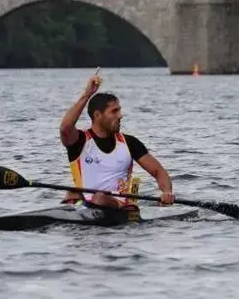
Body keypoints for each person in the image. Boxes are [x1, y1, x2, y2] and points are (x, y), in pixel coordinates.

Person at [59, 73, 175, 209]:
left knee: (99, 198)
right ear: (97, 115)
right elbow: (65, 128)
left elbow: (159, 172)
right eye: (114, 111)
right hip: (84, 205)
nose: (120, 115)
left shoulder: (129, 143)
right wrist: (87, 94)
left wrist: (166, 192)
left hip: (119, 205)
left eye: (119, 110)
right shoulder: (80, 141)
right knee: (72, 193)